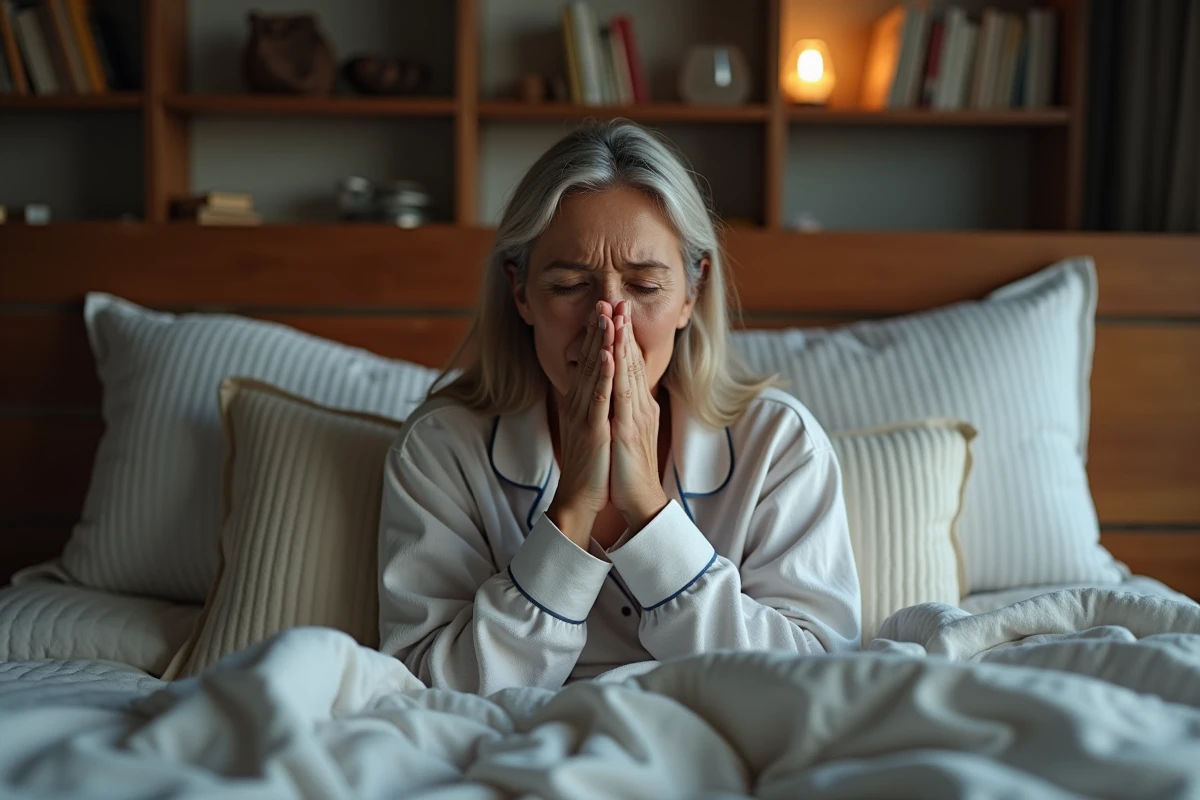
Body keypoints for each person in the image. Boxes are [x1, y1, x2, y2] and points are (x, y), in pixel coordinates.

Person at [378, 121, 861, 695]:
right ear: (520, 291)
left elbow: (819, 677)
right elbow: (422, 685)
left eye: (645, 286)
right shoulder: (442, 449)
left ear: (692, 293)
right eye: (569, 285)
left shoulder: (779, 443)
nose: (609, 322)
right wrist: (573, 513)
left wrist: (651, 516)